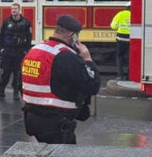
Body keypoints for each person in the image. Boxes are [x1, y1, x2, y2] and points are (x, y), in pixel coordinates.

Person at [21, 15, 101, 144]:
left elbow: (23, 83)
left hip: (32, 117)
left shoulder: (34, 50)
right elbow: (92, 86)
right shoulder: (65, 56)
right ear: (72, 36)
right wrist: (88, 60)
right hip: (57, 120)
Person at [0, 3, 33, 101]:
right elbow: (2, 35)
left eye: (15, 9)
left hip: (19, 51)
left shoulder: (26, 22)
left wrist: (26, 50)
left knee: (17, 73)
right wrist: (0, 48)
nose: (13, 11)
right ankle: (1, 91)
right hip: (8, 50)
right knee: (5, 71)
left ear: (19, 10)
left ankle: (16, 92)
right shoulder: (6, 21)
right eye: (12, 9)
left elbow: (29, 37)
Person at [111, 3, 131, 80]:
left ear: (126, 7)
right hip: (131, 39)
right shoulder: (136, 14)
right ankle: (129, 75)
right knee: (130, 58)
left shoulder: (120, 14)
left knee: (119, 56)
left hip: (121, 39)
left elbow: (113, 26)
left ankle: (120, 75)